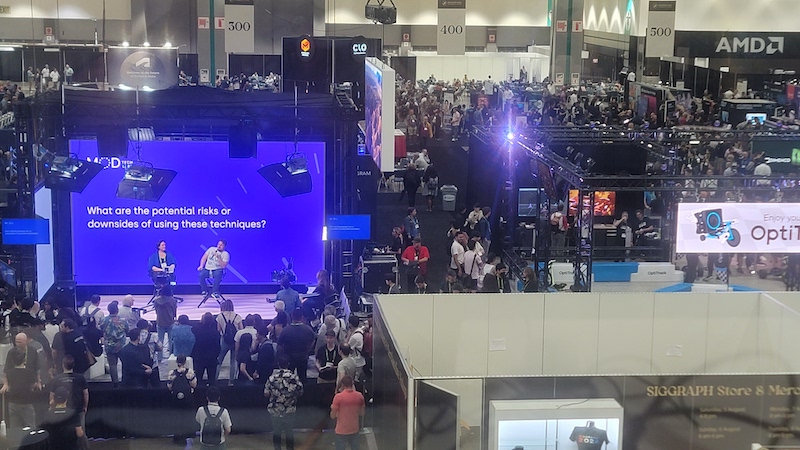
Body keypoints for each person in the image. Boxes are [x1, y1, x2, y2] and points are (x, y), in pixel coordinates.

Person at [2, 334, 41, 428]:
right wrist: (6, 384)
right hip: (15, 384)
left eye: (20, 342)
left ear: (26, 341)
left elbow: (37, 369)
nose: (17, 344)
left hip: (29, 385)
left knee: (29, 422)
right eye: (16, 341)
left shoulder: (32, 351)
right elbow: (6, 370)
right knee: (15, 424)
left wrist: (39, 381)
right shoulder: (12, 352)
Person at [49, 355, 89, 448]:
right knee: (81, 433)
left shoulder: (56, 379)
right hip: (78, 409)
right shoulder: (80, 378)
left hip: (60, 411)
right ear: (73, 365)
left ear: (63, 365)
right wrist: (85, 406)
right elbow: (86, 394)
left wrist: (53, 407)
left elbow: (51, 396)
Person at [265, 355, 304, 450]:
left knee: (276, 431)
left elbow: (266, 393)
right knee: (289, 431)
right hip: (289, 410)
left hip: (275, 410)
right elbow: (301, 392)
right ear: (288, 364)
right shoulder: (294, 378)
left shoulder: (272, 378)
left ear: (278, 364)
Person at [277, 309, 316, 387]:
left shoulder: (286, 330)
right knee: (303, 378)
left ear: (292, 317)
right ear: (302, 317)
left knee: (288, 378)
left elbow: (279, 344)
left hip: (289, 358)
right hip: (303, 357)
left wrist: (284, 353)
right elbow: (314, 339)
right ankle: (303, 395)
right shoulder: (307, 329)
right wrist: (308, 349)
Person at [168, 354, 197, 444]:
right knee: (187, 416)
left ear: (176, 362)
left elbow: (169, 387)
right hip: (187, 399)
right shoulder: (190, 372)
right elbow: (194, 385)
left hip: (176, 399)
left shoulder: (171, 373)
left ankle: (176, 436)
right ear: (185, 362)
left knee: (176, 417)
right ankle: (187, 435)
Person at [331, 375, 365, 450]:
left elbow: (332, 415)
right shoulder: (359, 396)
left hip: (341, 431)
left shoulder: (338, 397)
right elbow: (362, 413)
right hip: (354, 429)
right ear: (352, 384)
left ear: (342, 385)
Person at [100, 302, 129, 387]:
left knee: (112, 365)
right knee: (125, 363)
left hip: (109, 346)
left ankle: (115, 383)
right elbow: (127, 330)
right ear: (117, 310)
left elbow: (101, 330)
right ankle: (125, 380)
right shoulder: (123, 320)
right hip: (122, 346)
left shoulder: (104, 320)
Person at [216, 300, 243, 384]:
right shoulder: (237, 316)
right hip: (235, 341)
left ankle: (215, 379)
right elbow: (241, 329)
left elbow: (218, 330)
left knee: (219, 360)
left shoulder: (220, 316)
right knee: (233, 362)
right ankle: (231, 381)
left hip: (225, 340)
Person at [192, 312, 222, 386]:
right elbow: (218, 347)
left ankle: (198, 396)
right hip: (211, 359)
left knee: (198, 380)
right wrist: (215, 355)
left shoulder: (196, 329)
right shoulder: (215, 332)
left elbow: (194, 329)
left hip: (199, 358)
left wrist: (200, 322)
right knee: (212, 380)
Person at [154, 284, 177, 361]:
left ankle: (159, 358)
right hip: (170, 322)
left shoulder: (156, 300)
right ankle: (171, 357)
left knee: (160, 340)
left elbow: (156, 311)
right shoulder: (173, 300)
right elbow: (174, 311)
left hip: (160, 322)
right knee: (171, 340)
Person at [138, 319, 163, 387]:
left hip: (140, 363)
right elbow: (160, 347)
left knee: (142, 385)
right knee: (156, 385)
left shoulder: (136, 336)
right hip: (152, 363)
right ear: (147, 326)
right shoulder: (153, 336)